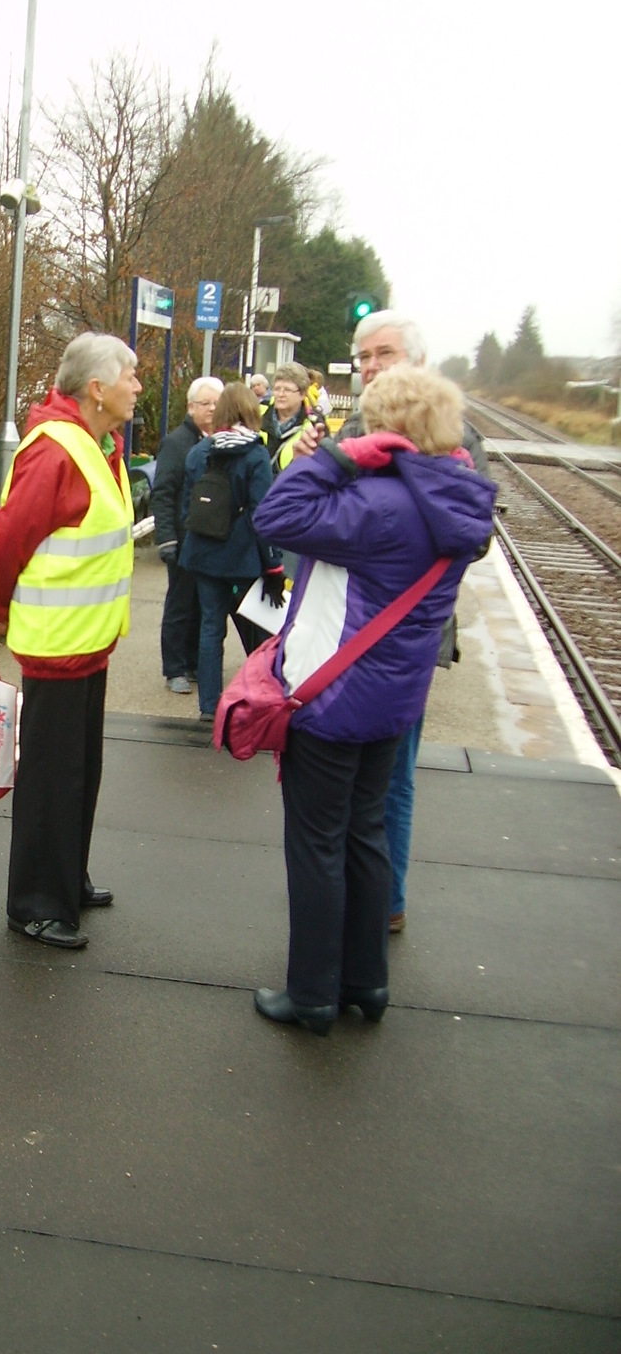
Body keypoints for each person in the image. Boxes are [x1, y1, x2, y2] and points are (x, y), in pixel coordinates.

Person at [250, 365, 497, 1034]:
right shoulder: (456, 505)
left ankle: (312, 997)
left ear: (386, 432)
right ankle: (367, 982)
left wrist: (333, 456)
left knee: (316, 845)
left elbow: (274, 516)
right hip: (394, 700)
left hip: (334, 701)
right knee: (365, 834)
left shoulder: (378, 507)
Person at [293, 311, 492, 932]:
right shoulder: (348, 425)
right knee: (340, 784)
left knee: (388, 781)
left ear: (417, 361)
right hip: (339, 628)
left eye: (385, 353)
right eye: (364, 356)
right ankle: (344, 890)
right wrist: (308, 462)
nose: (372, 365)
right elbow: (302, 520)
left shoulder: (456, 434)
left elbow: (472, 535)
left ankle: (386, 901)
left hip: (400, 634)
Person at [0, 332, 140, 950]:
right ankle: (36, 903)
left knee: (80, 769)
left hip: (86, 642)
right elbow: (7, 538)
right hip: (57, 645)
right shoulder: (57, 451)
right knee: (52, 776)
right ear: (97, 388)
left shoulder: (93, 444)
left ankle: (66, 877)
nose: (138, 385)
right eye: (131, 374)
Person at [179, 383, 284, 721]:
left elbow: (187, 506)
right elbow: (262, 515)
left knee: (211, 627)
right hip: (242, 560)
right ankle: (260, 698)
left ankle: (209, 707)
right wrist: (274, 568)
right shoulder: (255, 455)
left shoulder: (200, 452)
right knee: (257, 631)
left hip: (203, 555)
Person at [152, 374, 224, 693]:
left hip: (211, 542)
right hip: (182, 540)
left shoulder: (224, 441)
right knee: (180, 605)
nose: (211, 409)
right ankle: (175, 667)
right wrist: (167, 538)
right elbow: (164, 492)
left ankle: (195, 662)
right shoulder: (176, 443)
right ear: (190, 406)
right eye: (204, 403)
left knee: (204, 605)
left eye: (216, 404)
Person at [265, 362, 311, 474]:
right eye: (277, 389)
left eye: (287, 390)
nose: (281, 394)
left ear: (303, 394)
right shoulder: (257, 416)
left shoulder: (314, 425)